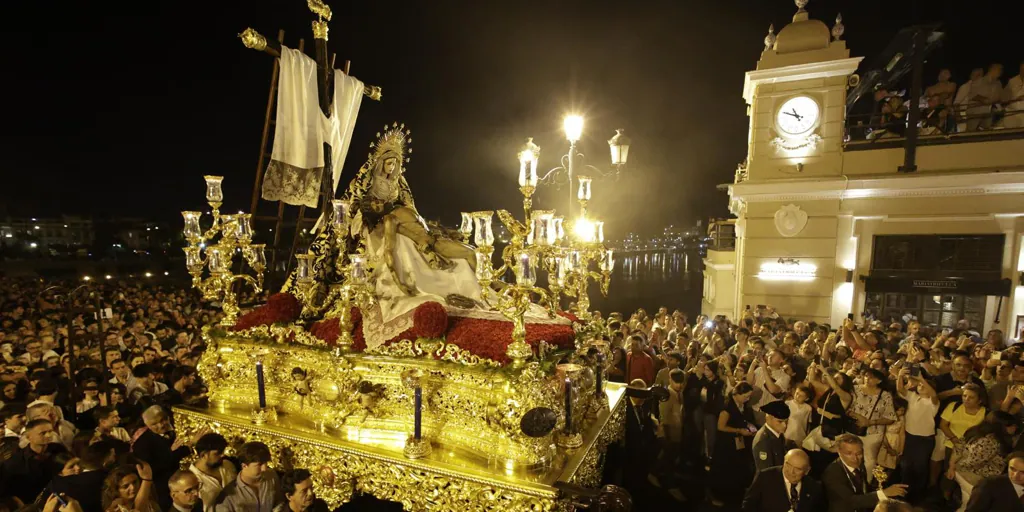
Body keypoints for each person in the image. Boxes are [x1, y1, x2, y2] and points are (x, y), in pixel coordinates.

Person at [131, 406, 205, 511]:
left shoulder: (176, 428)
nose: (161, 425)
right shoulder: (141, 445)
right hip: (164, 491)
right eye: (154, 424)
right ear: (146, 425)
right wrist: (176, 452)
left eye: (163, 420)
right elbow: (152, 470)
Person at [948, 411, 1019, 512]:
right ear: (1001, 426)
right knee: (972, 506)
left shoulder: (977, 431)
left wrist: (952, 465)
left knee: (967, 504)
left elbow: (958, 446)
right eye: (1011, 425)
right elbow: (973, 462)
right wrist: (955, 466)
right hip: (972, 477)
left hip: (964, 473)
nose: (1014, 428)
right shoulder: (991, 441)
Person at [821, 434, 908, 512]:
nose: (855, 458)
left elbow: (864, 489)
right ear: (839, 452)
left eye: (858, 453)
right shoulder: (832, 473)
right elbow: (851, 501)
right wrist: (883, 493)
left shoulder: (860, 464)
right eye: (849, 453)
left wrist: (886, 492)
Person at [709, 382, 756, 506]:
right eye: (746, 396)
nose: (748, 399)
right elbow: (721, 426)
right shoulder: (727, 407)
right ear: (737, 394)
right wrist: (739, 430)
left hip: (736, 442)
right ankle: (717, 495)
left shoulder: (742, 405)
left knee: (734, 468)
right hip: (726, 443)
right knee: (723, 468)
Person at [0, 418, 67, 503]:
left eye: (50, 431)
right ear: (28, 437)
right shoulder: (16, 462)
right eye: (43, 433)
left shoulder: (58, 449)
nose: (48, 435)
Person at [742, 449, 824, 512]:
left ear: (807, 471)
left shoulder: (814, 487)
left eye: (798, 469)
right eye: (788, 465)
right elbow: (748, 506)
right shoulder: (764, 477)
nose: (791, 472)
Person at [213, 441, 282, 512]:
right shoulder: (228, 498)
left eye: (266, 463)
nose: (264, 468)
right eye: (259, 465)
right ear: (244, 466)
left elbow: (279, 502)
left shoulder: (271, 476)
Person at [189, 433, 238, 512]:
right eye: (217, 453)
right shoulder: (192, 480)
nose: (222, 455)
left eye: (222, 452)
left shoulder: (228, 465)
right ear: (203, 455)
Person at [753, 400, 791, 472]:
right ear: (768, 418)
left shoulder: (777, 433)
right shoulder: (763, 441)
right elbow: (766, 472)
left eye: (786, 421)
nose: (785, 425)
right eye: (780, 421)